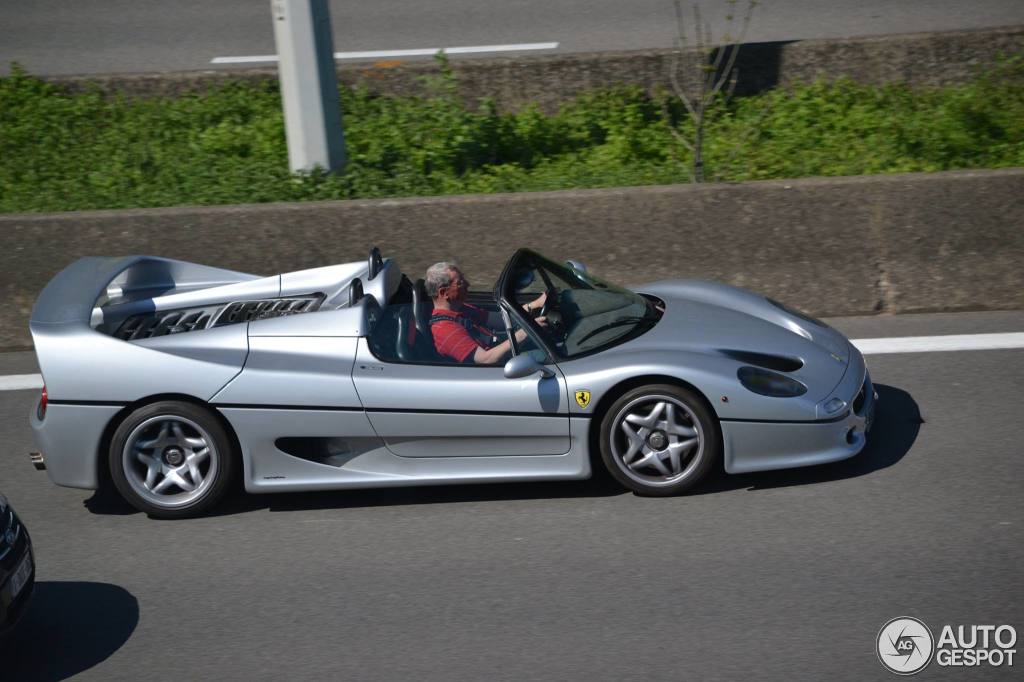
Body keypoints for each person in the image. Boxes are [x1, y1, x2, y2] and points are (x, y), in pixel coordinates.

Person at [425, 262, 545, 365]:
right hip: (496, 370)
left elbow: (501, 319)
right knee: (546, 357)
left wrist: (535, 304)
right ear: (443, 293)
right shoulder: (445, 330)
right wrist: (525, 333)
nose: (468, 284)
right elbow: (486, 359)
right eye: (460, 283)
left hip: (503, 353)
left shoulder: (461, 309)